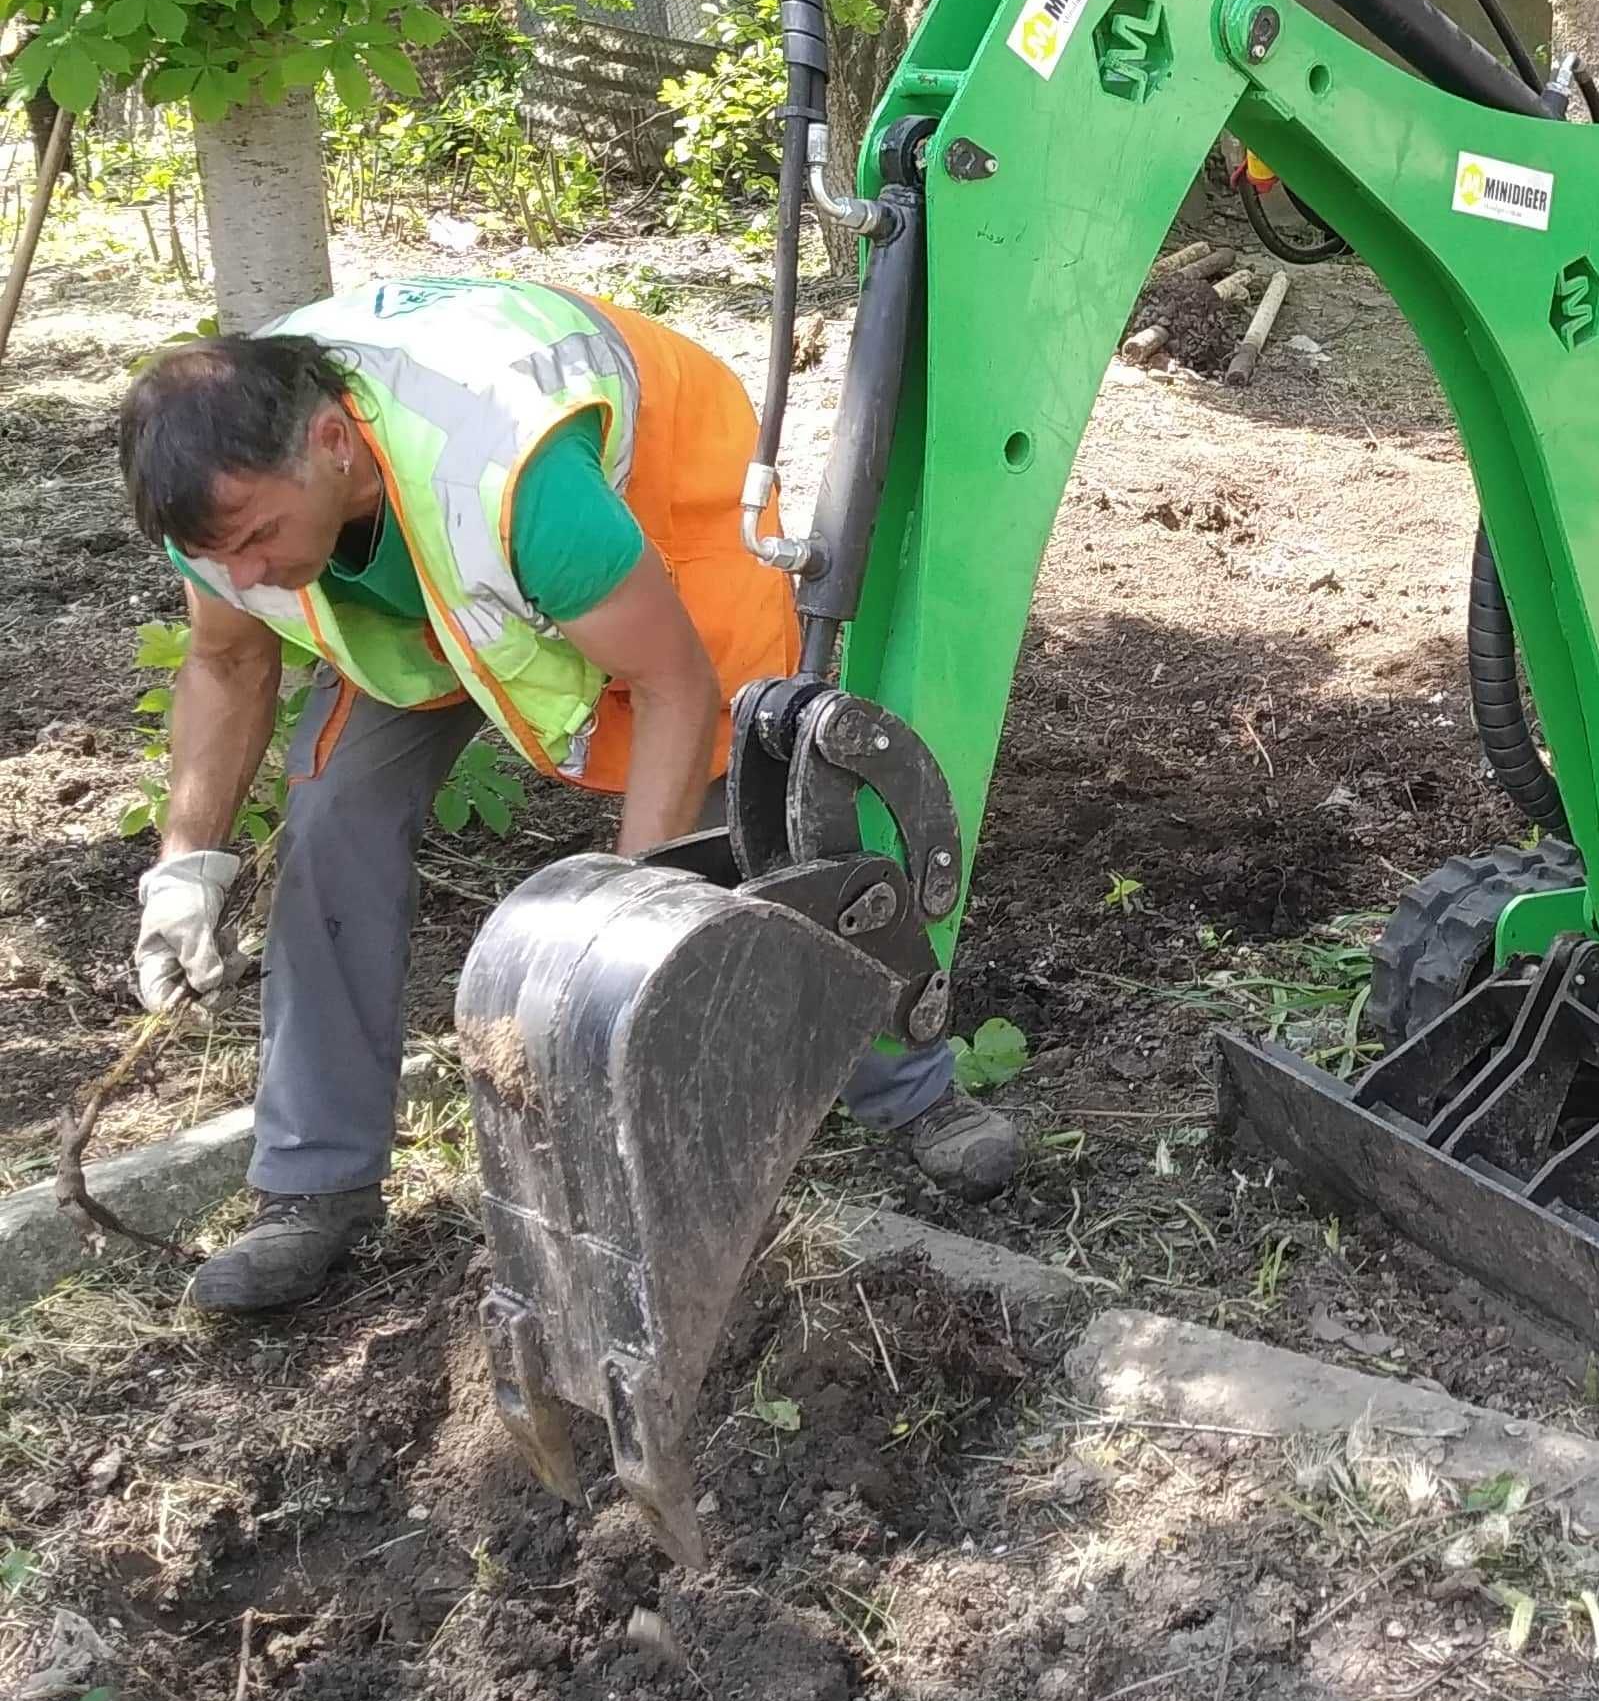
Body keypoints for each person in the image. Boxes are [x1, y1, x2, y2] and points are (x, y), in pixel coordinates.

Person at [115, 278, 1021, 1313]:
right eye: (222, 555)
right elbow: (228, 664)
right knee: (332, 820)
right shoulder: (231, 503)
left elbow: (674, 687)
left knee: (763, 814)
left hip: (653, 514)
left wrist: (622, 937)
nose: (252, 574)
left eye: (261, 540)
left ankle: (912, 1090)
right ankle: (312, 1185)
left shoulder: (513, 476)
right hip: (438, 590)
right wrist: (186, 866)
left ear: (330, 442)